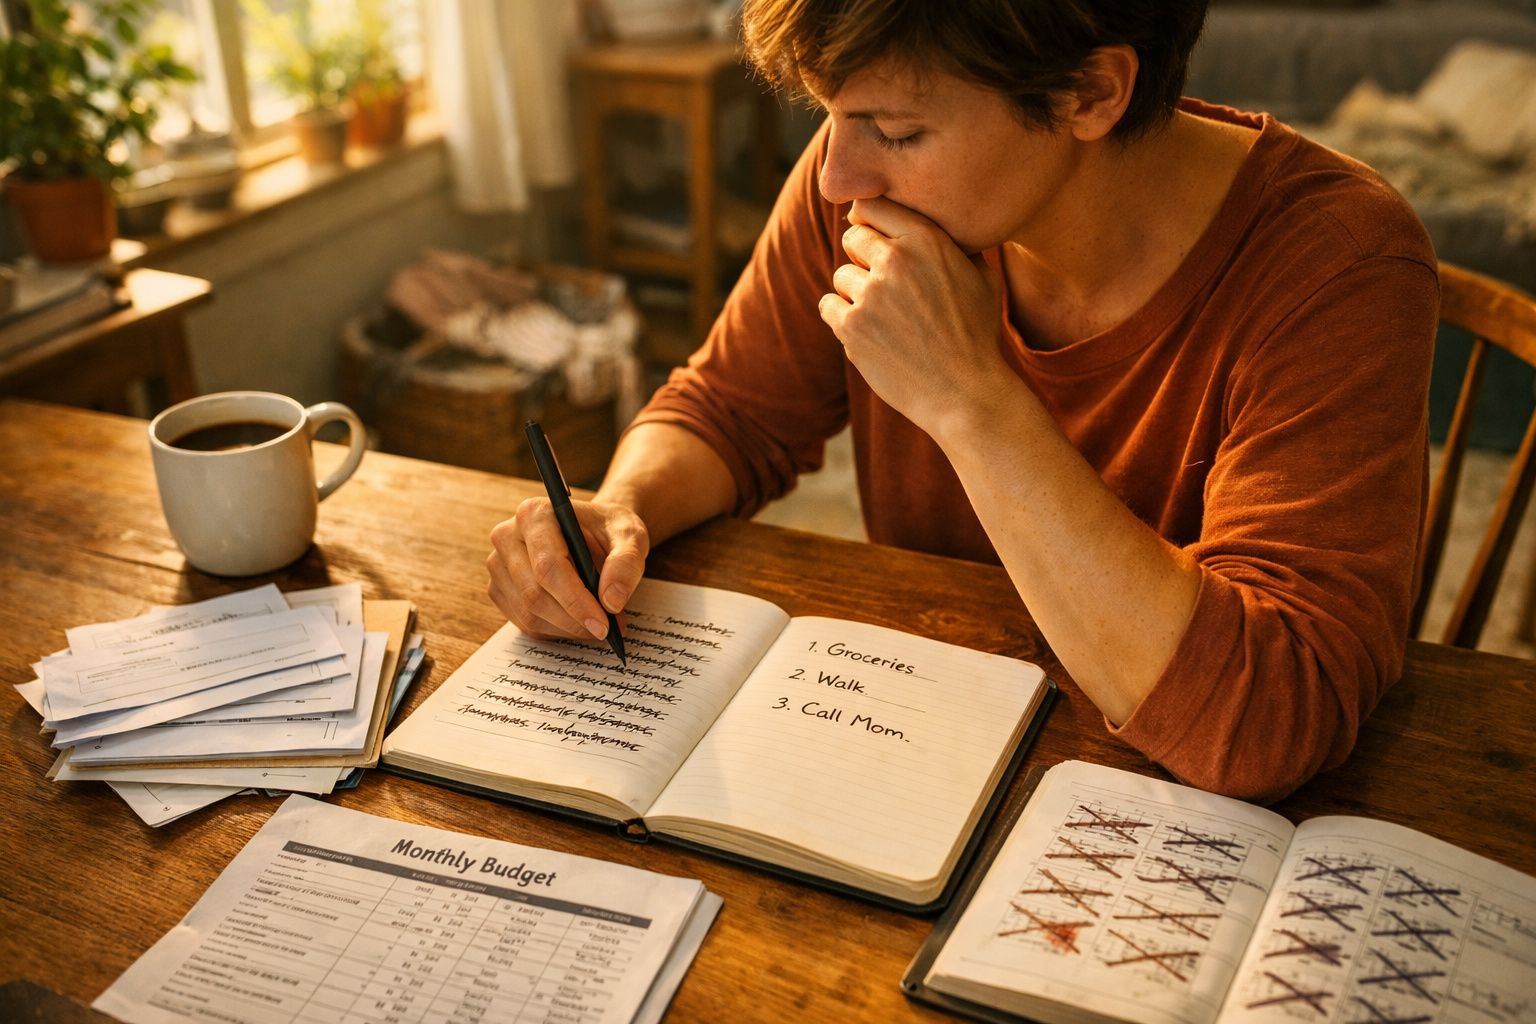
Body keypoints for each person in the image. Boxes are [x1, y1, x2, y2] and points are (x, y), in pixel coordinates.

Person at [487, 0, 1438, 802]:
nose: (837, 177)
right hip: (922, 745)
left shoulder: (1340, 262)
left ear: (1090, 92)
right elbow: (730, 409)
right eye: (834, 117)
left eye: (899, 132)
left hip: (1158, 813)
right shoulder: (866, 184)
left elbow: (1266, 721)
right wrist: (620, 511)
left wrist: (972, 401)